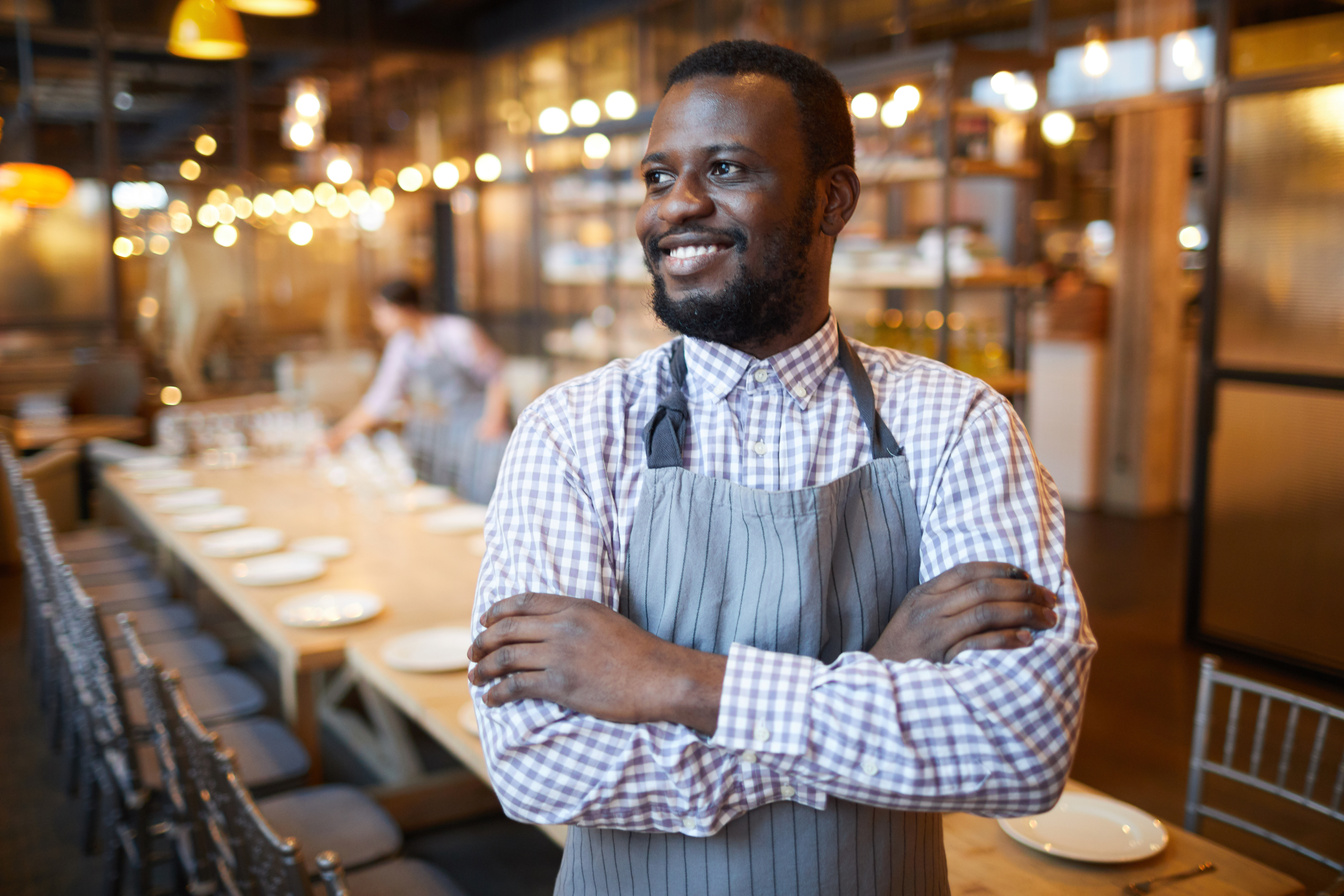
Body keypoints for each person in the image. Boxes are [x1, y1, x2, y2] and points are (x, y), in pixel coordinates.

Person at [468, 40, 1095, 896]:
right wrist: (878, 672)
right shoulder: (572, 432)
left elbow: (1018, 749)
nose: (676, 207)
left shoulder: (958, 423)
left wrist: (675, 680)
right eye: (657, 177)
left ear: (831, 201)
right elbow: (540, 766)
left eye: (725, 168)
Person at [325, 280, 511, 451]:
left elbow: (498, 376)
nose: (376, 321)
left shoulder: (456, 332)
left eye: (380, 312)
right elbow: (380, 397)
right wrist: (337, 435)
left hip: (486, 424)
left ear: (403, 309)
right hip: (453, 427)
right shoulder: (402, 344)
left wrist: (493, 421)